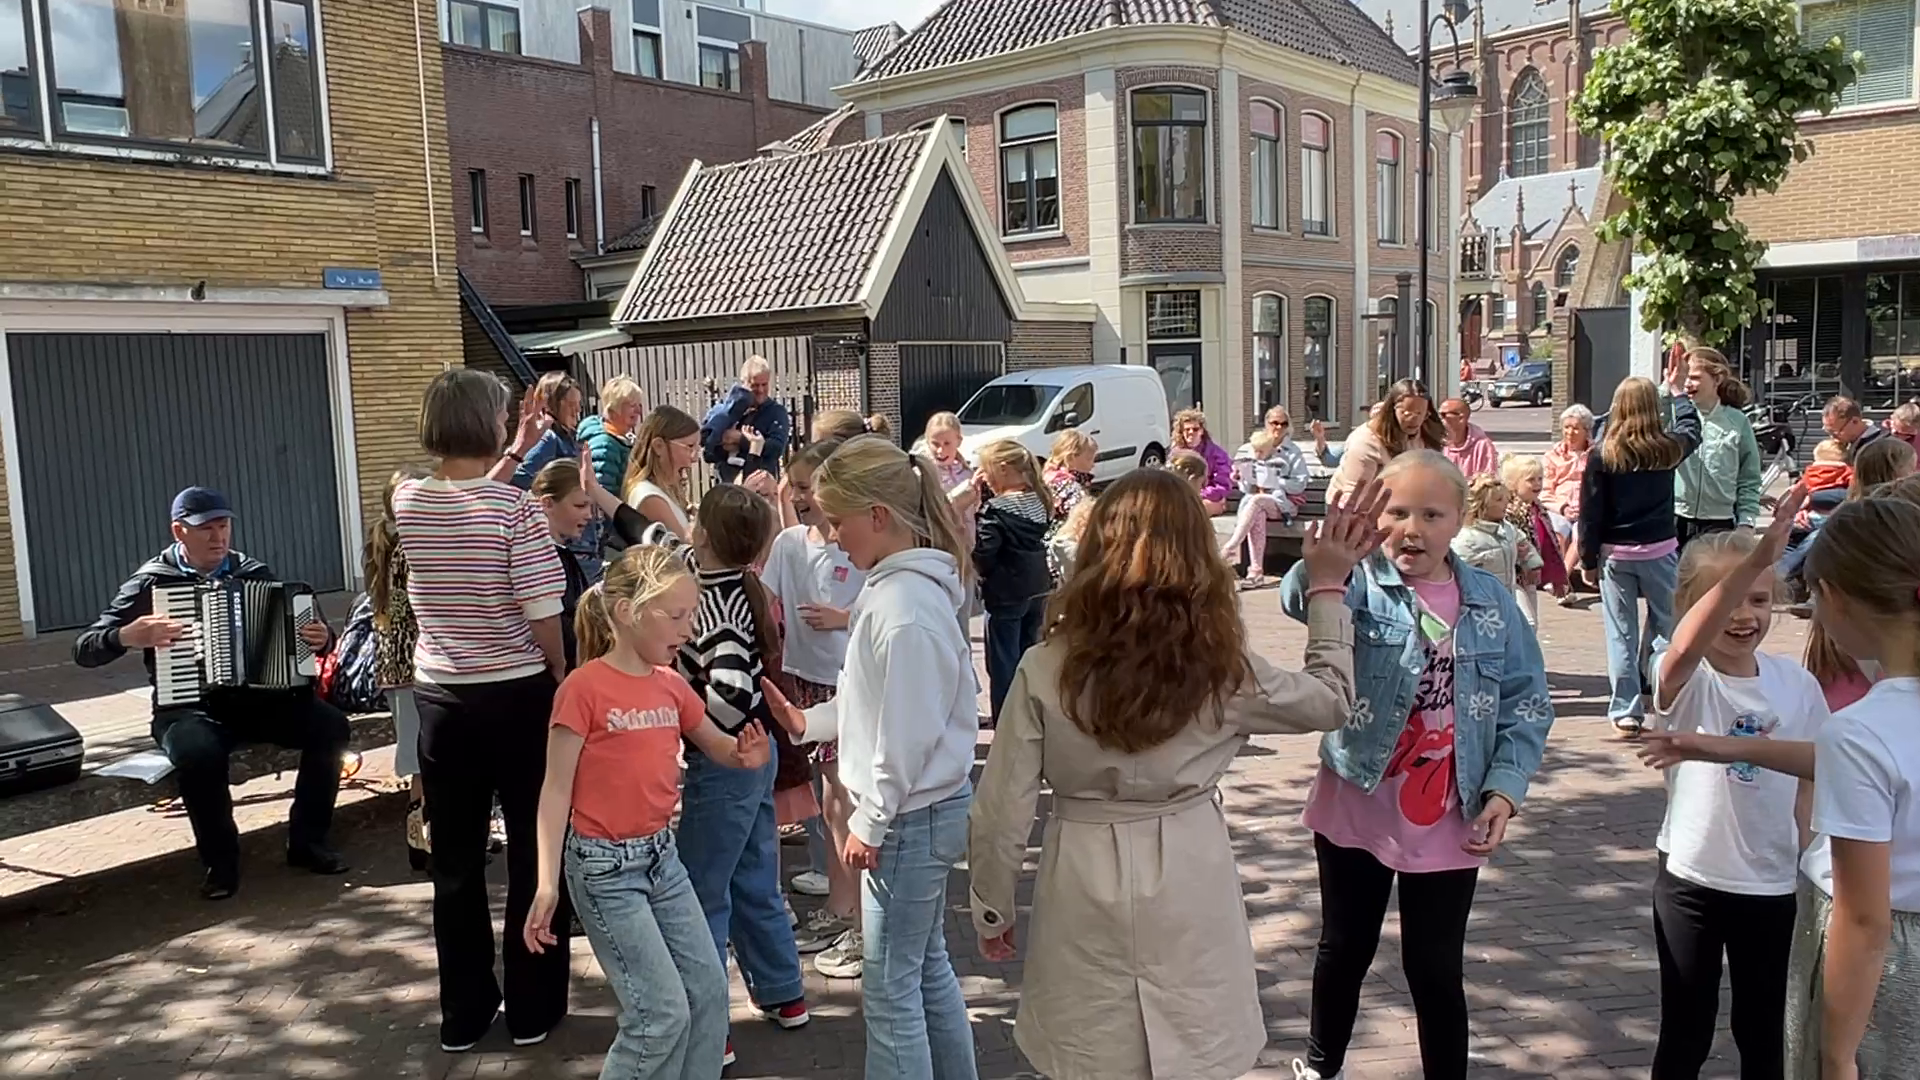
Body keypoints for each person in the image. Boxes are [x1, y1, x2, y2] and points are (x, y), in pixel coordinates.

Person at [966, 470, 1384, 1080]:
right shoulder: (1221, 668)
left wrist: (992, 905)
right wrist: (1327, 589)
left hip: (1081, 865)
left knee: (1091, 1045)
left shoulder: (1046, 665)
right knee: (1192, 1041)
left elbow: (1003, 805)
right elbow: (1329, 700)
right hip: (1189, 862)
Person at [1281, 450, 1554, 1080]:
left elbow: (1527, 700)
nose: (1413, 528)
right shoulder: (1361, 578)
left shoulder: (1489, 600)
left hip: (1450, 807)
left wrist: (1504, 792)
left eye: (1432, 514)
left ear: (1459, 519)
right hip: (1359, 795)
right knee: (1345, 946)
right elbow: (1302, 598)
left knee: (1434, 966)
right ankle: (1323, 1067)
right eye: (1397, 511)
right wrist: (1327, 559)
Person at [759, 436, 981, 1080]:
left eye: (837, 519)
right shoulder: (896, 595)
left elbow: (906, 734)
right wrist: (809, 722)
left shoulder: (903, 606)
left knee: (890, 992)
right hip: (915, 812)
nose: (829, 535)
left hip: (910, 816)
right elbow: (877, 705)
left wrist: (870, 819)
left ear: (878, 515)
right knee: (923, 967)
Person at [521, 545, 771, 1080]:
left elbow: (719, 745)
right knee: (660, 1015)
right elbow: (554, 791)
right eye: (677, 616)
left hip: (662, 859)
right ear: (628, 612)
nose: (689, 629)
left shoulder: (671, 684)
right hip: (604, 868)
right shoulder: (582, 690)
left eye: (692, 615)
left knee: (706, 995)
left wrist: (744, 753)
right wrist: (547, 885)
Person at [392, 368, 572, 1052]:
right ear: (487, 422)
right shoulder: (519, 511)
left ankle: (463, 1015)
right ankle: (533, 1006)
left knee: (457, 861)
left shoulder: (408, 500)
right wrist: (558, 667)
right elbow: (542, 611)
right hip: (518, 691)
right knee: (533, 850)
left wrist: (515, 455)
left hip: (442, 697)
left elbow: (465, 501)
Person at [1629, 494, 1828, 1080]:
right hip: (1692, 878)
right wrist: (1757, 555)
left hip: (1771, 884)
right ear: (1694, 608)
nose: (1745, 614)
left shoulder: (1795, 683)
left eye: (1761, 598)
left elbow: (1815, 772)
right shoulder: (1684, 678)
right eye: (1730, 601)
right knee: (1686, 1027)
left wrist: (1810, 853)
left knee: (1763, 1033)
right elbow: (1689, 644)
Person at [73, 486, 345, 901]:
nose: (219, 538)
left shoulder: (253, 572)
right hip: (187, 707)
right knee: (198, 753)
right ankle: (221, 863)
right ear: (179, 531)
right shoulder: (152, 582)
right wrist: (127, 635)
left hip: (258, 702)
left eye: (224, 526)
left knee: (330, 728)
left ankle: (308, 842)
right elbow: (85, 649)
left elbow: (307, 641)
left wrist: (322, 638)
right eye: (206, 530)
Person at [645, 484, 813, 1057]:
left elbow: (732, 691)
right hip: (754, 755)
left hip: (730, 761)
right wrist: (598, 494)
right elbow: (655, 538)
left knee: (702, 891)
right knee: (752, 876)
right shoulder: (717, 574)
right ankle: (783, 992)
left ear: (706, 535)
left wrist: (694, 731)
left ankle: (710, 1028)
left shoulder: (711, 608)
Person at [1785, 496, 1920, 1079]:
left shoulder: (1859, 733)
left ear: (1835, 597)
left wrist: (1837, 1056)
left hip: (1882, 972)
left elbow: (1863, 921)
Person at [760, 439, 868, 977]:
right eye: (795, 487)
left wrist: (841, 619)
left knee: (847, 798)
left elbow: (873, 610)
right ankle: (841, 906)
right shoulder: (790, 543)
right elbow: (765, 595)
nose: (800, 497)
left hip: (844, 683)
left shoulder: (859, 548)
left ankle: (858, 920)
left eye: (807, 487)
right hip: (806, 682)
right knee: (830, 800)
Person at [1581, 351, 1701, 736]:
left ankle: (1625, 709)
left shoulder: (1603, 454)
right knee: (1669, 626)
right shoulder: (1666, 448)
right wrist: (1678, 391)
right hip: (1660, 550)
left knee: (1621, 633)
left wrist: (1587, 557)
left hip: (1616, 554)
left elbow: (1590, 511)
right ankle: (1666, 693)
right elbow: (1692, 428)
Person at [369, 464, 433, 871]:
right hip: (410, 668)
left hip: (400, 668)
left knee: (421, 758)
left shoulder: (392, 545)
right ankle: (421, 842)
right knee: (421, 762)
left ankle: (427, 838)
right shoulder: (408, 549)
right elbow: (405, 611)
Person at [972, 439, 1057, 725]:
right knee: (1029, 655)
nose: (984, 477)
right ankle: (1034, 715)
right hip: (1038, 586)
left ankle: (1008, 723)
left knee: (1003, 662)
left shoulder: (996, 510)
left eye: (987, 471)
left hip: (1005, 591)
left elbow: (985, 552)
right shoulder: (1042, 499)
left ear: (1004, 469)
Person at [1668, 347, 1762, 546]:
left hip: (1719, 523)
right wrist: (1669, 385)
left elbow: (1749, 477)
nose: (1687, 383)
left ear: (1717, 380)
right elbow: (1653, 411)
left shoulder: (1737, 421)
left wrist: (1747, 522)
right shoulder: (1675, 416)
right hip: (1676, 519)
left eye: (1694, 377)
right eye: (1685, 377)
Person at [1328, 379, 1446, 502]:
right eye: (1406, 413)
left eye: (1420, 414)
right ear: (1392, 409)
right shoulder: (1366, 442)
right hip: (1352, 507)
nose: (1414, 420)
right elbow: (1354, 494)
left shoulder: (1424, 433)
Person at [530, 461, 597, 670]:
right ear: (548, 504)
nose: (589, 515)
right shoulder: (542, 557)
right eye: (579, 506)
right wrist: (561, 665)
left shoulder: (561, 553)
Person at [1220, 430, 1305, 590]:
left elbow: (1297, 485)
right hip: (1260, 504)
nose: (1258, 454)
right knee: (1257, 512)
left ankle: (1230, 547)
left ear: (1270, 448)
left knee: (1257, 500)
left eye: (1261, 451)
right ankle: (1256, 572)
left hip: (1283, 505)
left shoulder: (1281, 462)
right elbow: (1247, 489)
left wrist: (1275, 481)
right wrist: (1241, 478)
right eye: (1256, 450)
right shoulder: (1252, 461)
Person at [1451, 475, 1542, 614]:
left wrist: (1532, 563)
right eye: (1499, 500)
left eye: (1506, 499)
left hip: (1507, 594)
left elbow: (1523, 543)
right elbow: (1458, 570)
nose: (1505, 504)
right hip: (1482, 603)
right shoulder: (1467, 538)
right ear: (1483, 504)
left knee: (1526, 625)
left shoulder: (1507, 529)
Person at [701, 356, 792, 482]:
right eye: (754, 385)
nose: (760, 390)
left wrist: (740, 439)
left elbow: (775, 449)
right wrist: (723, 446)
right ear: (744, 383)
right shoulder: (728, 411)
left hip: (761, 485)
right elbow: (709, 453)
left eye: (764, 384)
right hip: (728, 484)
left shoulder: (776, 412)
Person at [1501, 454, 1569, 615]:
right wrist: (1522, 567)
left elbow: (1550, 545)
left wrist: (1558, 578)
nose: (1537, 484)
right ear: (1513, 483)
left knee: (1531, 622)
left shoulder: (1538, 508)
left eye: (1540, 479)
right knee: (1526, 621)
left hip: (1531, 578)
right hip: (1512, 577)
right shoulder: (1509, 511)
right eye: (1531, 480)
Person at [622, 405, 701, 542]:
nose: (694, 458)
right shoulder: (649, 496)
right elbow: (686, 546)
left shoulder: (661, 489)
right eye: (689, 447)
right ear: (659, 446)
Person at [1543, 404, 1596, 590]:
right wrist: (1563, 507)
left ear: (1586, 430)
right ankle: (1561, 580)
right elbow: (1545, 492)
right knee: (1558, 529)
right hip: (1560, 506)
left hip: (1587, 508)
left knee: (1581, 531)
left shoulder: (1596, 455)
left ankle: (1561, 579)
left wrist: (1585, 507)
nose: (1570, 432)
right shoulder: (1552, 456)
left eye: (1575, 428)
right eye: (1566, 427)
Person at [510, 372, 584, 489]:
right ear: (550, 404)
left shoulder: (569, 435)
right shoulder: (547, 437)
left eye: (579, 403)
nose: (578, 409)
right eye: (571, 404)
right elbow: (518, 478)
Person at [576, 374, 645, 496]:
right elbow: (603, 493)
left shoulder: (623, 438)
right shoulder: (604, 445)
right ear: (614, 407)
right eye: (632, 405)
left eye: (639, 405)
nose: (639, 411)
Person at [1170, 408, 1234, 515]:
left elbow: (1222, 486)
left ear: (1202, 431)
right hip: (1181, 498)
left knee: (1193, 510)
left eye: (1195, 429)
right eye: (1187, 429)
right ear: (1181, 432)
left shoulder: (1217, 454)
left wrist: (1197, 494)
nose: (1191, 432)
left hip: (1208, 499)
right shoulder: (1175, 454)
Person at [1042, 428, 1097, 528]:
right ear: (1070, 458)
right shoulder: (1069, 487)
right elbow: (1082, 520)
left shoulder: (1049, 476)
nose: (1093, 464)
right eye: (1089, 459)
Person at [1797, 440, 1854, 531]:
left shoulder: (1809, 472)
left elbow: (1802, 490)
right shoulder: (1846, 471)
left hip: (1812, 514)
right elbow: (1855, 488)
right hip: (1834, 514)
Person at [1438, 398, 1501, 479]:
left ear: (1461, 418)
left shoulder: (1482, 446)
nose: (1439, 419)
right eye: (1438, 415)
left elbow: (1487, 480)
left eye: (1443, 415)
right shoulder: (1437, 442)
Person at [1823, 395, 1891, 464]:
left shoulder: (1881, 446)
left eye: (1836, 432)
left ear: (1855, 421)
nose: (1832, 437)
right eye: (1828, 431)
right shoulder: (1844, 444)